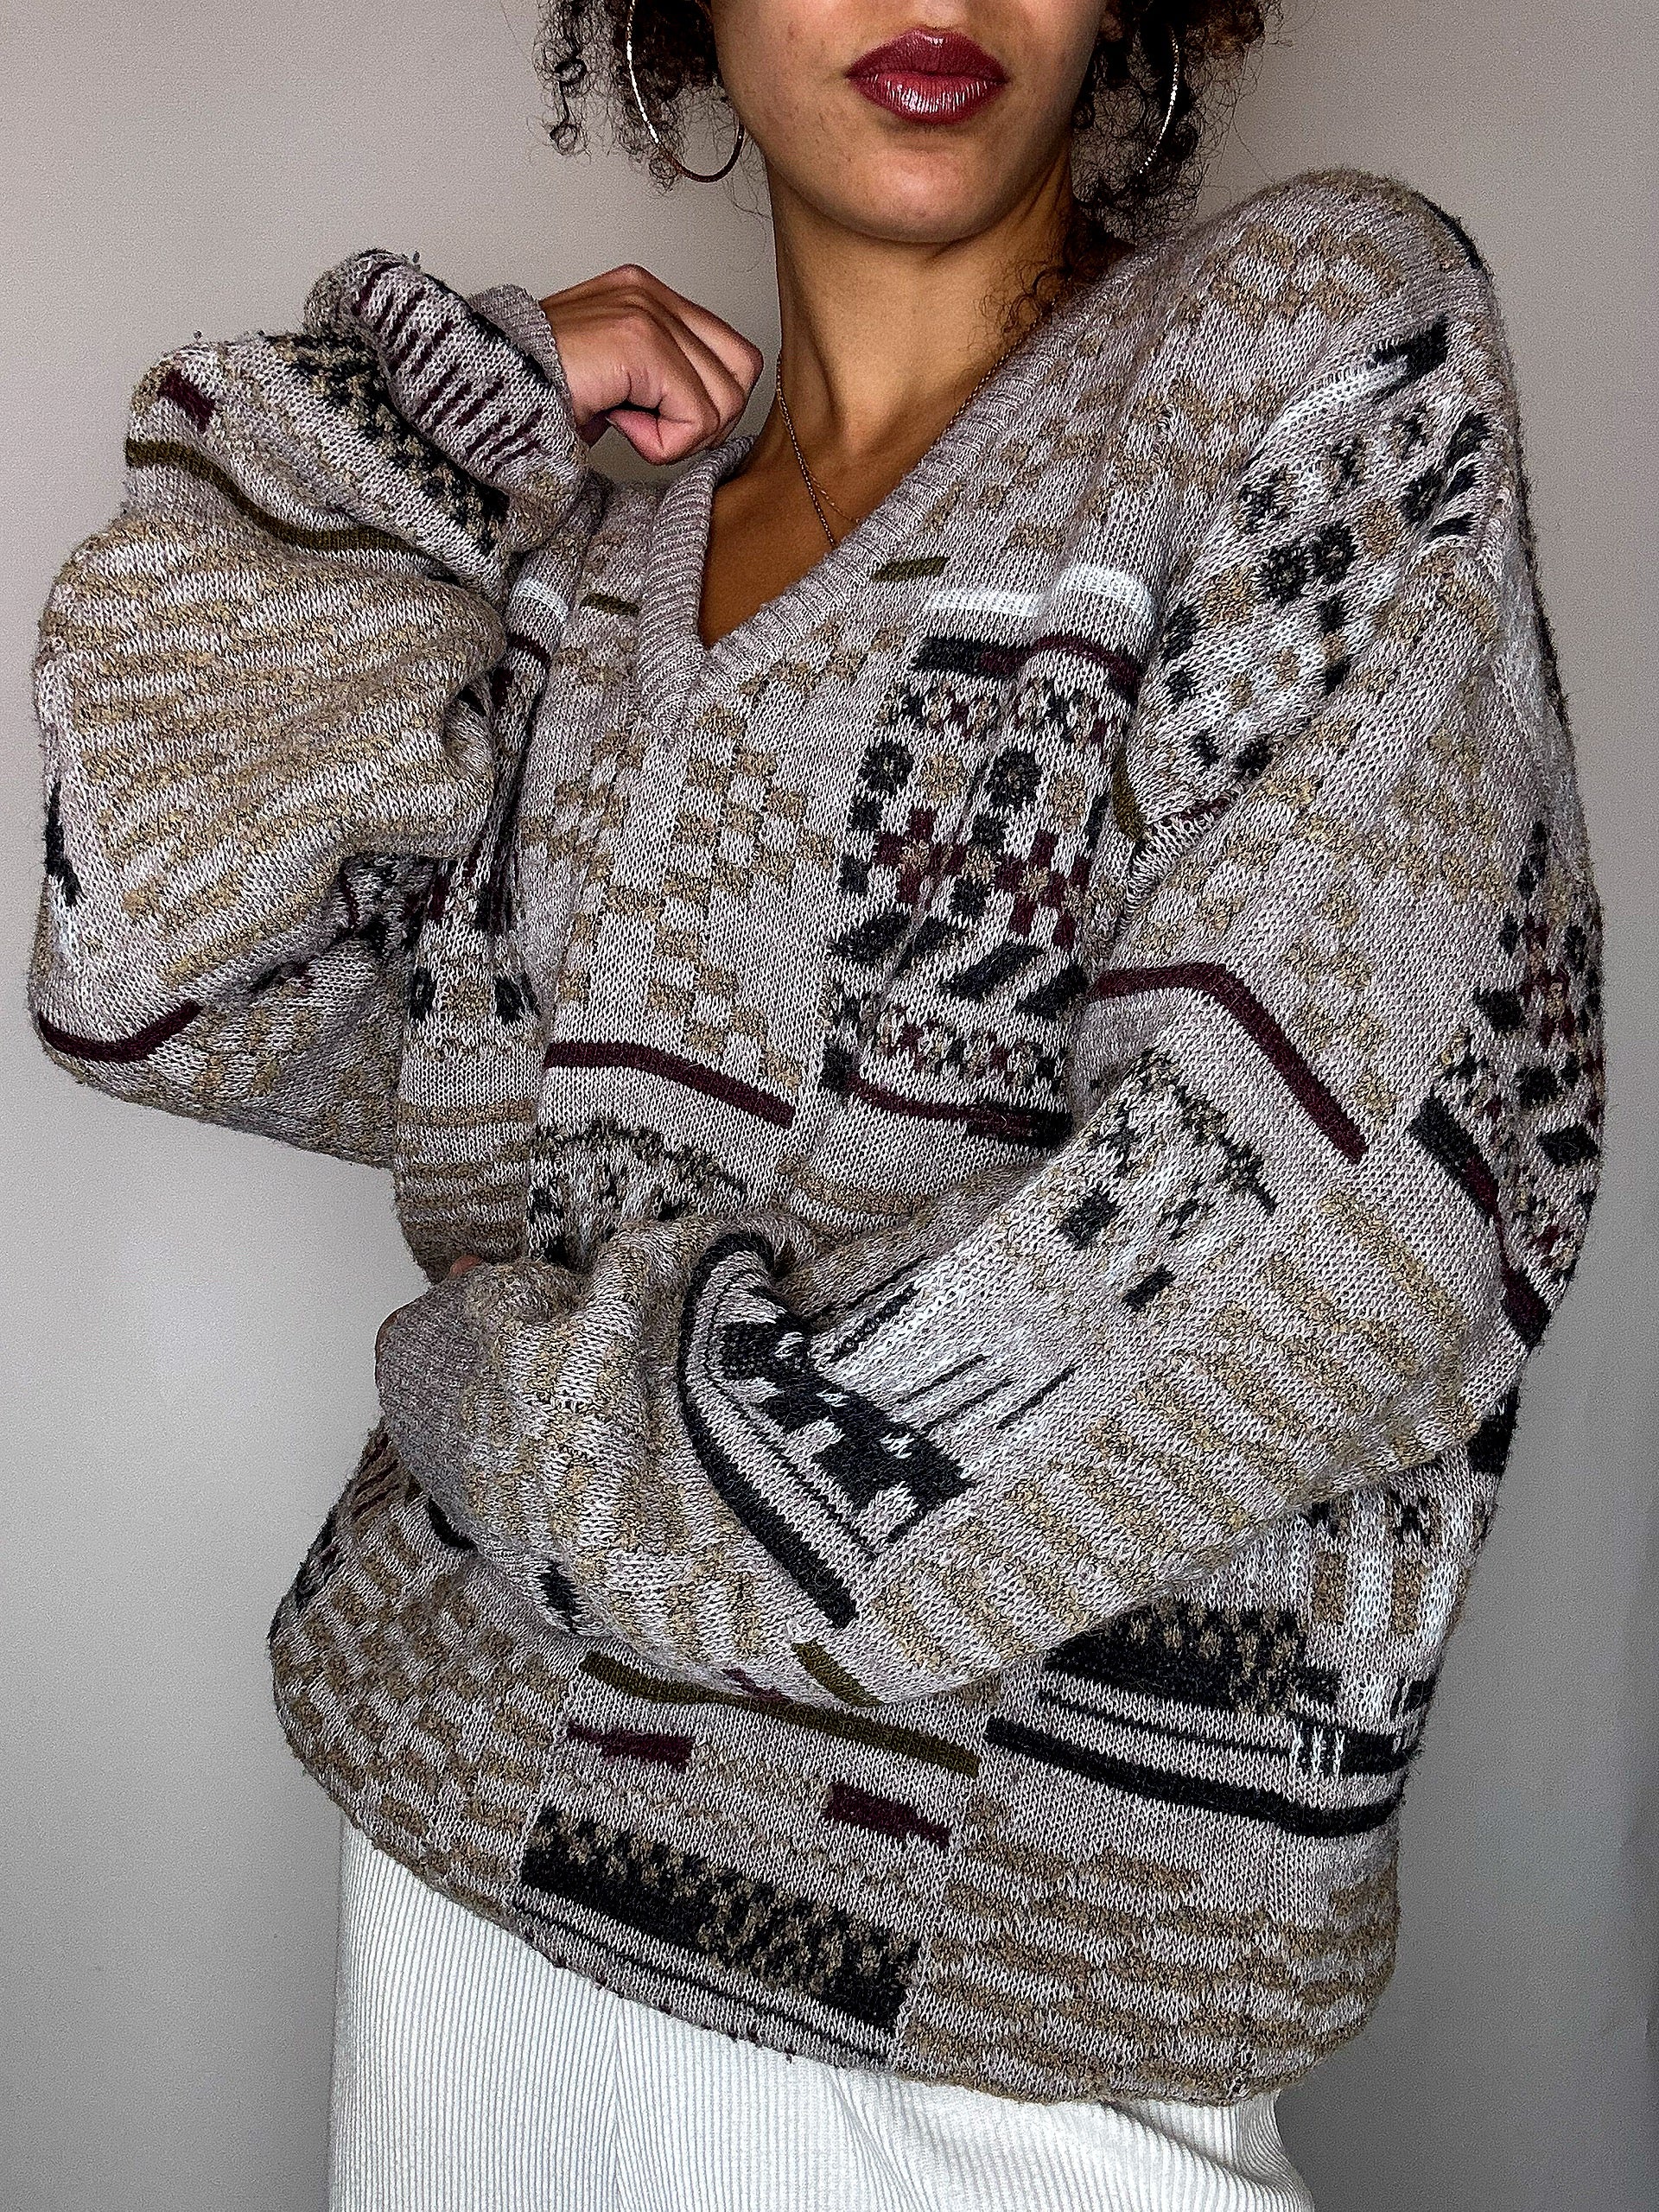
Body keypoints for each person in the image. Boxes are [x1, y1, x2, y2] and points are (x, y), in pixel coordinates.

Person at [26, 1, 1605, 2206]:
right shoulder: (579, 583)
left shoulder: (1305, 346)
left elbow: (1359, 1210)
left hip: (1010, 2016)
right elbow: (150, 966)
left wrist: (540, 1443)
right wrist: (443, 411)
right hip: (465, 1888)